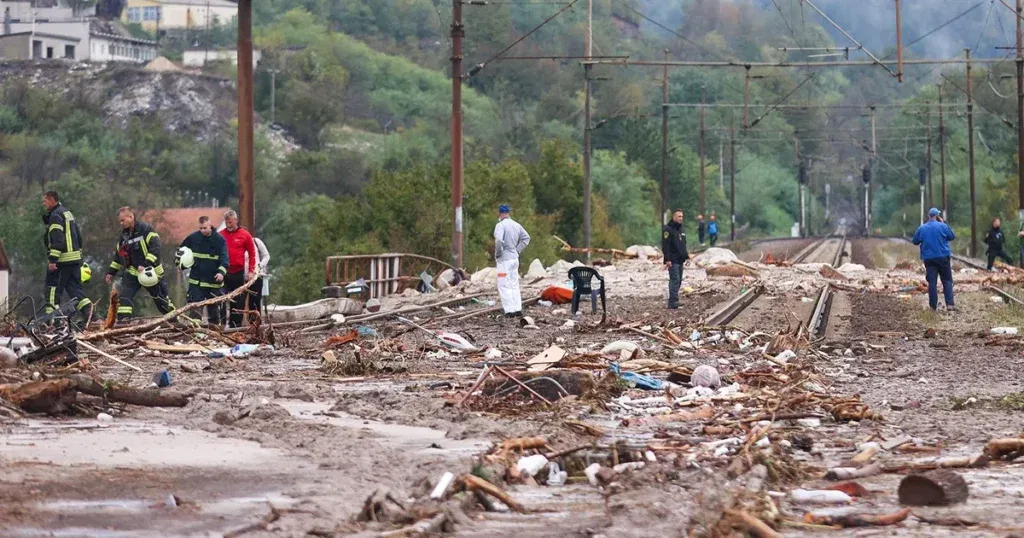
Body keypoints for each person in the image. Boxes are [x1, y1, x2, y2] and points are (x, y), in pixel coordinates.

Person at [105, 207, 175, 321]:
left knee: (161, 300)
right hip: (132, 273)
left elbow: (155, 248)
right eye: (120, 221)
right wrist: (110, 272)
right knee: (124, 298)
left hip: (150, 272)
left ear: (131, 217)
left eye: (123, 220)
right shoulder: (123, 236)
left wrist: (145, 264)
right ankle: (123, 325)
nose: (121, 223)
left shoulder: (146, 229)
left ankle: (175, 321)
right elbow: (119, 256)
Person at [41, 191, 92, 322]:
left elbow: (57, 240)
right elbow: (78, 236)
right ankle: (90, 314)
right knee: (75, 289)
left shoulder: (56, 215)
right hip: (74, 259)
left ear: (52, 200)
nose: (43, 203)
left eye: (45, 200)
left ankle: (52, 321)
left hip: (62, 260)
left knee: (52, 288)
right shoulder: (67, 213)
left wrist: (53, 260)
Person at [179, 216, 228, 325]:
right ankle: (195, 332)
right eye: (200, 228)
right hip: (196, 281)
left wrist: (221, 272)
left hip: (213, 282)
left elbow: (224, 259)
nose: (202, 230)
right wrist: (180, 263)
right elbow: (181, 251)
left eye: (205, 228)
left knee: (214, 311)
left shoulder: (219, 240)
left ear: (210, 225)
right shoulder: (193, 238)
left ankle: (214, 333)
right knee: (195, 308)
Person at [912, 208, 956, 312]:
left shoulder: (922, 228)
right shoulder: (942, 226)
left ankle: (933, 306)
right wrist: (943, 223)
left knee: (932, 282)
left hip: (929, 259)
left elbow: (915, 241)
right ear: (937, 216)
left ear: (928, 216)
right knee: (947, 280)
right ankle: (949, 304)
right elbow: (951, 236)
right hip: (943, 257)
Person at [219, 210, 257, 328]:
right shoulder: (220, 235)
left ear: (236, 221)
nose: (228, 224)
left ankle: (235, 326)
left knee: (238, 301)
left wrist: (251, 271)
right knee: (222, 300)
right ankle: (221, 325)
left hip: (238, 273)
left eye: (230, 222)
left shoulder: (245, 235)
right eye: (226, 222)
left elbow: (252, 253)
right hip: (224, 272)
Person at [493, 204, 530, 317]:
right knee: (514, 284)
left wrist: (498, 254)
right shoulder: (516, 225)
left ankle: (509, 310)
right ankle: (517, 308)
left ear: (500, 214)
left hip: (504, 260)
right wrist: (517, 250)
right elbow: (526, 238)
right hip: (514, 258)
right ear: (509, 213)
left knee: (504, 284)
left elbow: (499, 240)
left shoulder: (500, 225)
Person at [662, 209, 690, 309]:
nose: (681, 218)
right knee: (675, 279)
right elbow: (665, 246)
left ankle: (675, 299)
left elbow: (683, 244)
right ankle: (672, 301)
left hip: (680, 259)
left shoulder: (681, 229)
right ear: (674, 217)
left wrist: (687, 257)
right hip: (672, 260)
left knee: (679, 280)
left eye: (682, 216)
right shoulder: (668, 229)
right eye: (679, 216)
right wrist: (667, 259)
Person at [252, 236, 270, 314]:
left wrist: (260, 265)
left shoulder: (256, 242)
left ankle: (255, 322)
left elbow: (266, 255)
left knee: (256, 301)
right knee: (240, 301)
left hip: (257, 275)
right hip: (242, 276)